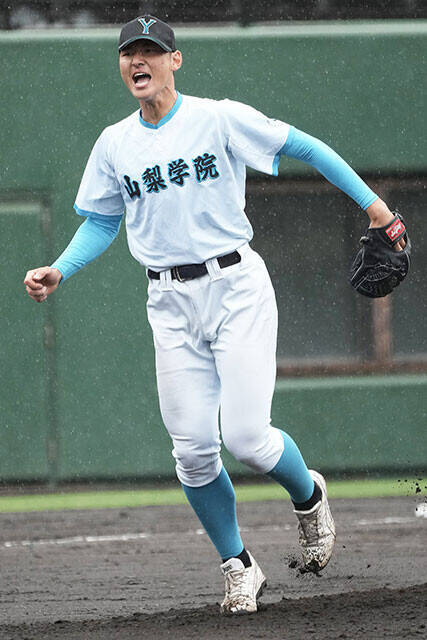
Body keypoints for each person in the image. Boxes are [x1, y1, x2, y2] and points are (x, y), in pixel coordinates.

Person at [24, 16, 404, 615]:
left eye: (151, 51)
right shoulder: (114, 143)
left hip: (235, 288)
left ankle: (308, 496)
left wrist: (376, 207)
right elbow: (101, 220)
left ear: (175, 60)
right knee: (193, 451)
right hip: (168, 303)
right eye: (129, 53)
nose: (139, 61)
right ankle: (239, 566)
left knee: (248, 439)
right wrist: (60, 269)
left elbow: (303, 146)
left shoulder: (217, 118)